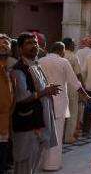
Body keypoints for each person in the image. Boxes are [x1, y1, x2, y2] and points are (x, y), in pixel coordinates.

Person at [10, 32, 60, 174]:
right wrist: (45, 91)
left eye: (35, 43)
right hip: (28, 124)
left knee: (33, 165)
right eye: (29, 43)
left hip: (39, 123)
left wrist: (47, 90)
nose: (34, 46)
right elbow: (22, 97)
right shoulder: (18, 69)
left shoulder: (36, 65)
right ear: (20, 49)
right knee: (24, 164)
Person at [39, 42, 91, 171]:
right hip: (59, 102)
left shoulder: (39, 61)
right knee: (56, 133)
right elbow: (75, 82)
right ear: (61, 51)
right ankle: (52, 164)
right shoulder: (63, 62)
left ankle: (40, 163)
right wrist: (85, 96)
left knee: (43, 133)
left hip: (42, 101)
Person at [61, 37, 83, 144]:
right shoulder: (73, 57)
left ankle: (60, 135)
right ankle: (69, 137)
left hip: (60, 86)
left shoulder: (59, 55)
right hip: (72, 87)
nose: (74, 46)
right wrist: (82, 88)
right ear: (69, 45)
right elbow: (78, 74)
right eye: (73, 44)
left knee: (61, 112)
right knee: (72, 112)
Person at [0, 34, 13, 174]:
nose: (3, 46)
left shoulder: (7, 69)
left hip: (5, 122)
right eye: (0, 43)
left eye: (6, 44)